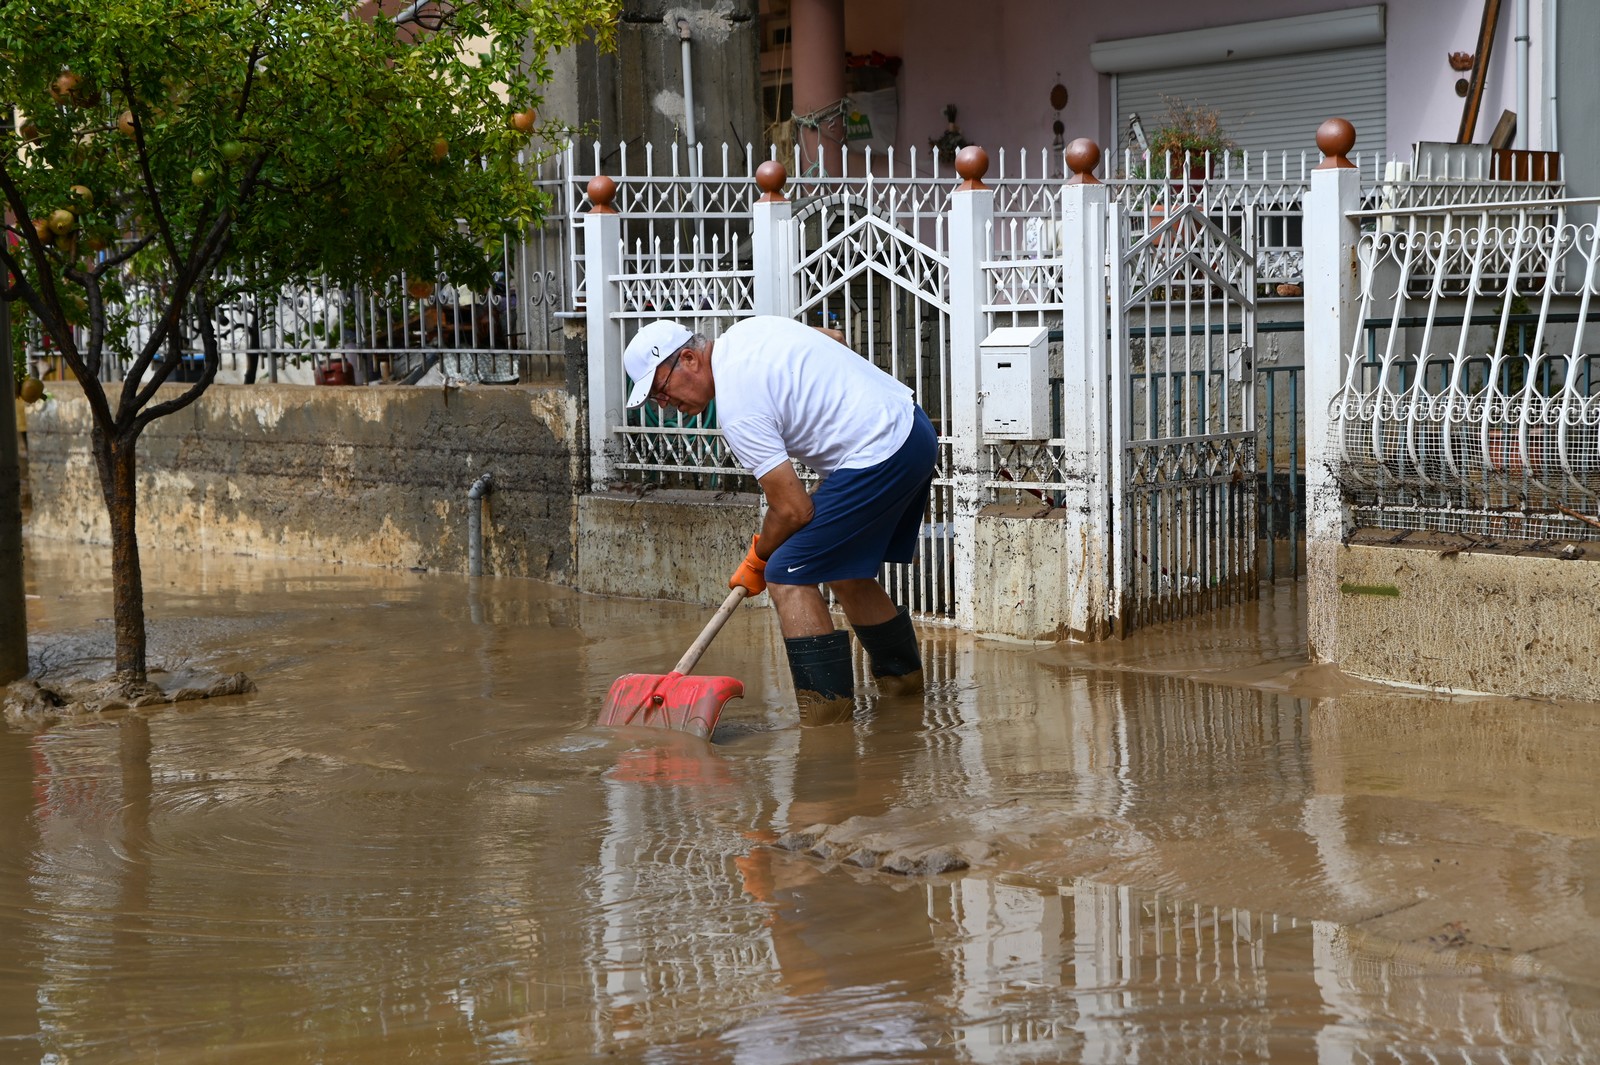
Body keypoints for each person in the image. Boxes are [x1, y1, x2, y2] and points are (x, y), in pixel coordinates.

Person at [623, 316, 935, 725]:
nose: (665, 406)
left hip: (879, 451)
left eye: (661, 391)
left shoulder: (738, 409)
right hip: (912, 427)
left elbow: (793, 509)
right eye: (654, 401)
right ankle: (904, 690)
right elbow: (832, 338)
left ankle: (827, 723)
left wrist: (759, 559)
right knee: (837, 566)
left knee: (788, 572)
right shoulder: (749, 331)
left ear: (688, 359)